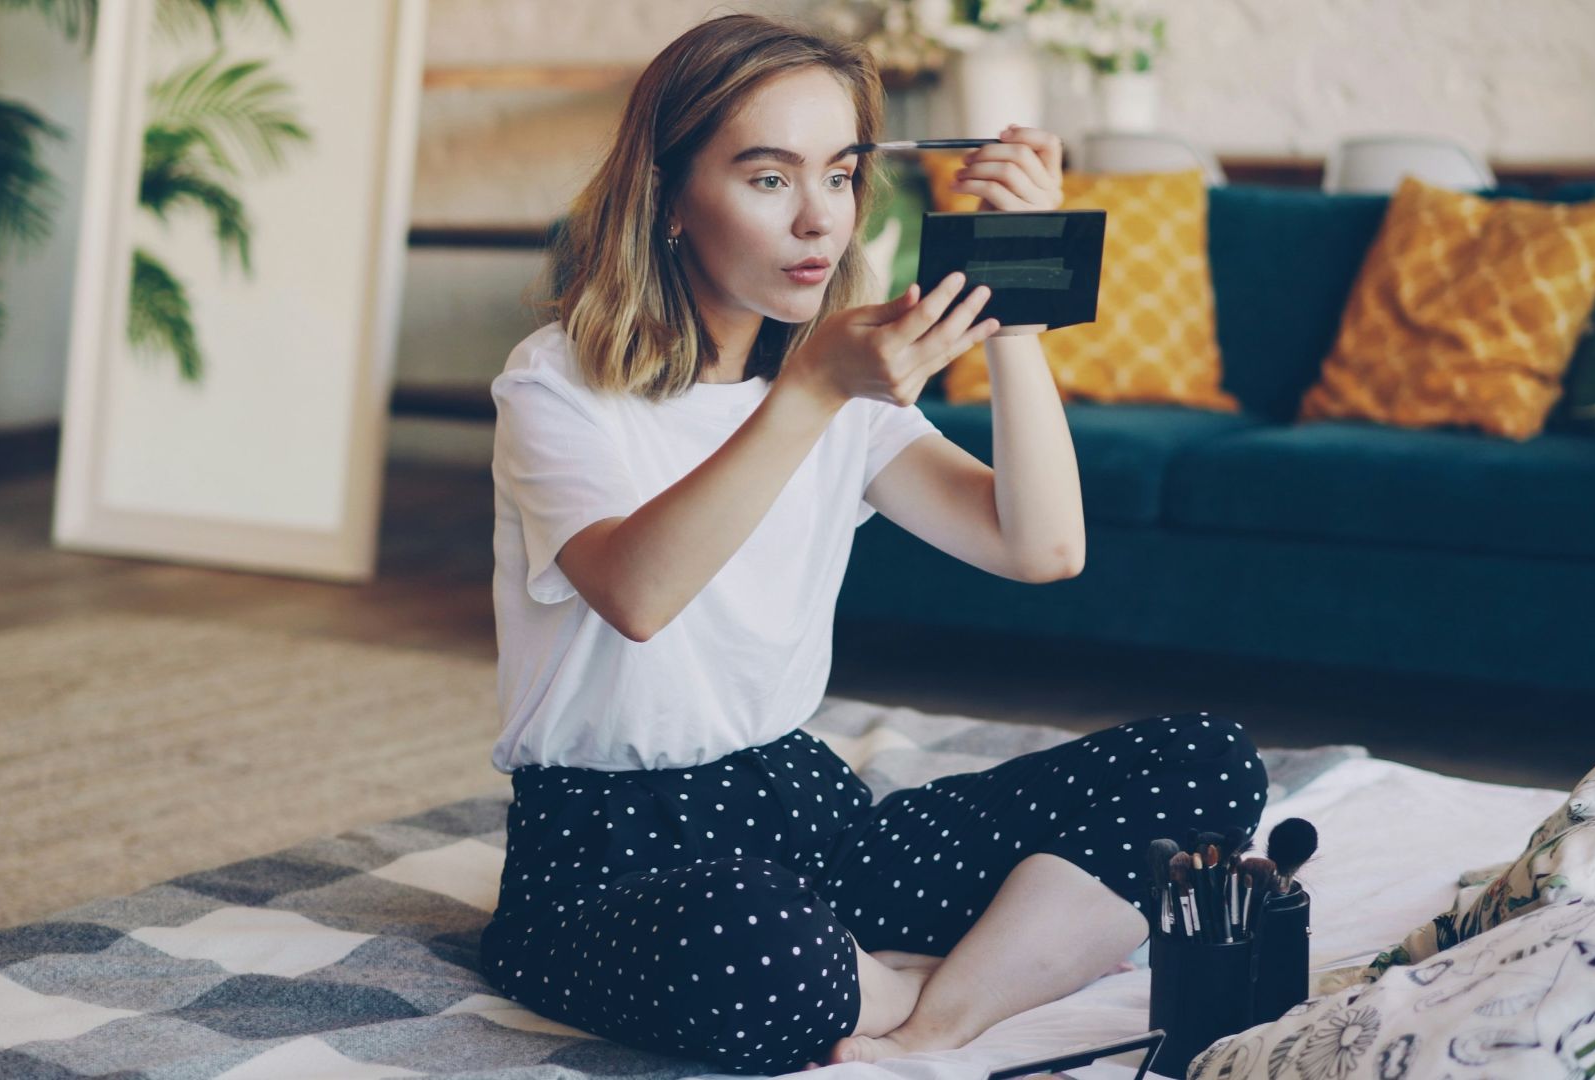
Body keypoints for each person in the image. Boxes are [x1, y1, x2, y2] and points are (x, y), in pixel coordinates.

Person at [476, 12, 1268, 1075]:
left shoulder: (837, 390)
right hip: (606, 851)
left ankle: (932, 1018)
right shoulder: (558, 384)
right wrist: (808, 393)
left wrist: (1017, 303)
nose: (818, 219)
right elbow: (638, 593)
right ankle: (956, 971)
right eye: (768, 180)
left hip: (801, 807)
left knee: (1203, 765)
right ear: (669, 198)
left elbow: (1041, 550)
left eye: (841, 175)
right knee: (753, 948)